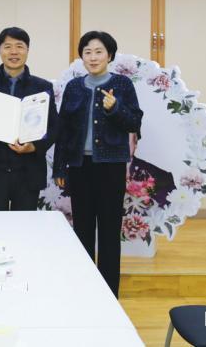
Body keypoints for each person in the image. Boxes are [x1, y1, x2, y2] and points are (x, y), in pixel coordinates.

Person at [53, 31, 143, 297]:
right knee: (82, 230)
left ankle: (108, 294)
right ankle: (84, 290)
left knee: (108, 231)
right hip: (80, 167)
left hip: (111, 167)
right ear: (82, 56)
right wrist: (60, 167)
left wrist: (115, 108)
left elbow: (134, 122)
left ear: (110, 55)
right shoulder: (73, 87)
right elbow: (63, 130)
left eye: (99, 51)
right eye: (87, 52)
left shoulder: (123, 85)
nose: (93, 57)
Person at [0, 27, 58, 211]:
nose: (14, 52)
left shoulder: (42, 87)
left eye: (19, 46)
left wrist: (34, 147)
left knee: (24, 226)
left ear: (27, 50)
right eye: (7, 46)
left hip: (28, 172)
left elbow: (54, 127)